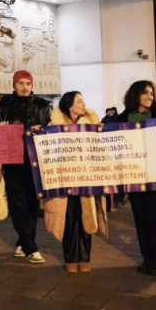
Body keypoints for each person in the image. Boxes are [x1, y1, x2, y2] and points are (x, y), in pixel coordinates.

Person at [117, 80, 156, 275]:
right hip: (133, 175)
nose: (150, 97)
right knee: (139, 217)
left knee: (152, 216)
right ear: (135, 95)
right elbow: (104, 136)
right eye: (145, 93)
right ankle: (146, 257)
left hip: (155, 175)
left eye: (152, 93)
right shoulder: (122, 118)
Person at [44, 92, 107, 272]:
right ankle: (70, 259)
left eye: (83, 100)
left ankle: (85, 258)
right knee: (69, 220)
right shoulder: (53, 127)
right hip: (65, 181)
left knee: (87, 218)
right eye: (79, 101)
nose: (84, 103)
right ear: (69, 105)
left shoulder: (91, 125)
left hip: (86, 179)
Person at [0, 70, 51, 264]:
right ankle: (31, 247)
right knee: (18, 205)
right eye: (21, 83)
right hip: (13, 164)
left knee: (33, 205)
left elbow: (50, 133)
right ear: (14, 85)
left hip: (36, 164)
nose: (25, 87)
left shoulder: (44, 107)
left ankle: (22, 242)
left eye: (28, 83)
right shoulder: (3, 108)